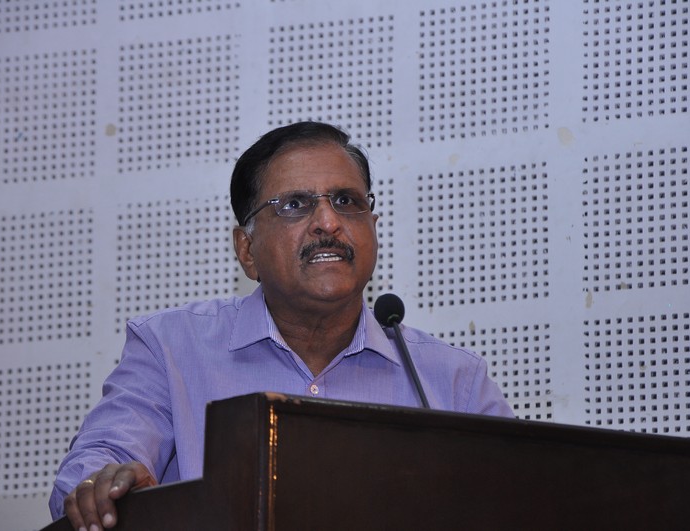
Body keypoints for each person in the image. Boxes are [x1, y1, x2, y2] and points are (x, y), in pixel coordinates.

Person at [50, 121, 513, 530]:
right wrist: (104, 485)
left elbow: (523, 500)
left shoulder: (451, 383)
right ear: (247, 250)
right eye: (295, 204)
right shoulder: (171, 349)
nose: (328, 222)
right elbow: (95, 467)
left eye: (346, 201)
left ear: (373, 227)